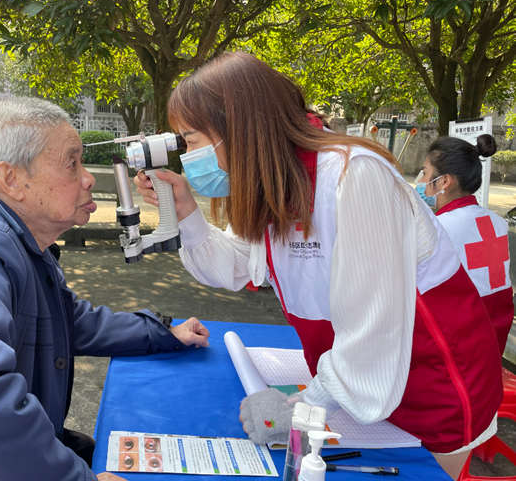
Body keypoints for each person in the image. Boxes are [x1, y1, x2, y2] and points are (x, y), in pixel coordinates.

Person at [134, 52, 502, 479]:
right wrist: (186, 214)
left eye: (191, 139)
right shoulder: (277, 182)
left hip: (431, 388)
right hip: (354, 387)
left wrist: (305, 406)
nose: (188, 155)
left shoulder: (353, 175)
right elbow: (233, 267)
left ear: (240, 127)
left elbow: (375, 324)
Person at [0, 97, 210, 481]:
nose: (88, 178)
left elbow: (66, 318)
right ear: (12, 180)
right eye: (72, 162)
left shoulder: (17, 242)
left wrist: (161, 332)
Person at [418, 135, 512, 353]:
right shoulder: (498, 223)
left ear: (444, 181)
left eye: (424, 172)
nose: (421, 181)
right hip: (492, 342)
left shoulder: (437, 228)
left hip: (456, 348)